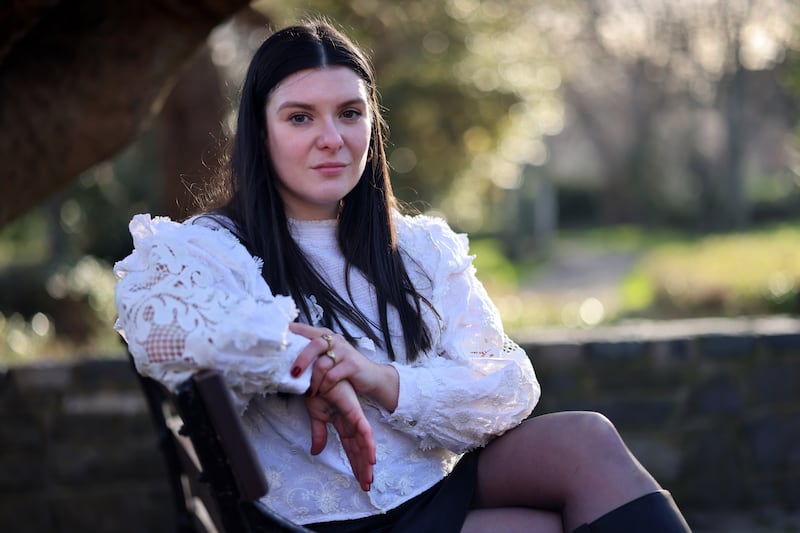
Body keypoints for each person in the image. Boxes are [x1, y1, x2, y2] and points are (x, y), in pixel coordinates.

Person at [114, 20, 692, 533]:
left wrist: (378, 379)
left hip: (426, 489)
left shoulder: (417, 247)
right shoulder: (209, 250)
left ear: (372, 123)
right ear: (260, 134)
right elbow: (162, 329)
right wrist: (310, 359)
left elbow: (508, 385)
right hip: (325, 518)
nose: (332, 139)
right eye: (299, 117)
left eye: (349, 113)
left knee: (585, 441)